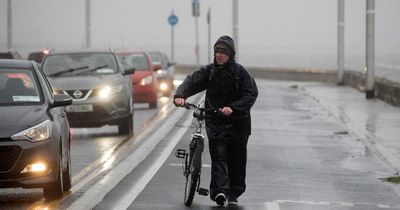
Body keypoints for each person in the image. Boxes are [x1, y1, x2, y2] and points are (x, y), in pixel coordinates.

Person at [174, 35, 258, 206]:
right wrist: (180, 95)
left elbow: (250, 94)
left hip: (238, 124)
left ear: (231, 54)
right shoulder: (210, 71)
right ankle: (220, 191)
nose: (219, 54)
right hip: (216, 121)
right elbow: (192, 81)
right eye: (217, 51)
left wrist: (233, 108)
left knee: (237, 160)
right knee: (218, 156)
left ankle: (234, 193)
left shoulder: (240, 73)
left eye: (223, 52)